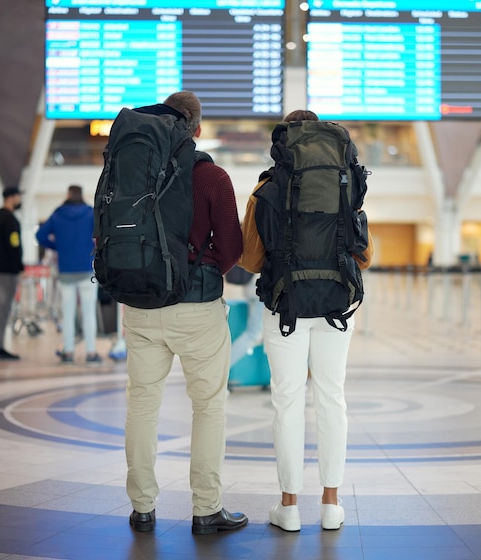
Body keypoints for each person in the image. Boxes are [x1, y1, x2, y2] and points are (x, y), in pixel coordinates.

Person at [240, 109, 374, 532]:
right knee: (332, 399)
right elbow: (365, 255)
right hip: (336, 305)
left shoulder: (267, 187)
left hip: (286, 307)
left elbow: (249, 259)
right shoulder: (346, 180)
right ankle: (332, 504)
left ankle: (290, 506)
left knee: (287, 401)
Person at [121, 91, 248, 535]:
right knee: (209, 407)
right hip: (196, 309)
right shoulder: (211, 175)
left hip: (138, 304)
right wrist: (205, 266)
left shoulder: (130, 167)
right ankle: (206, 509)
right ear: (197, 129)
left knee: (142, 403)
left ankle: (141, 507)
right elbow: (233, 247)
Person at [36, 185, 102, 364]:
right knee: (89, 314)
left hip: (65, 271)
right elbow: (101, 235)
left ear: (67, 195)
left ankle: (69, 352)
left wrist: (57, 247)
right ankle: (91, 353)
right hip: (86, 270)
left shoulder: (57, 214)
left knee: (68, 313)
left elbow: (40, 235)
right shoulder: (90, 213)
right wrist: (92, 249)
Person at [0, 185, 24, 360]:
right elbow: (14, 244)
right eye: (18, 196)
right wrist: (19, 266)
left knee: (1, 307)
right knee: (3, 307)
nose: (20, 200)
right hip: (6, 271)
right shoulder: (9, 219)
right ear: (11, 197)